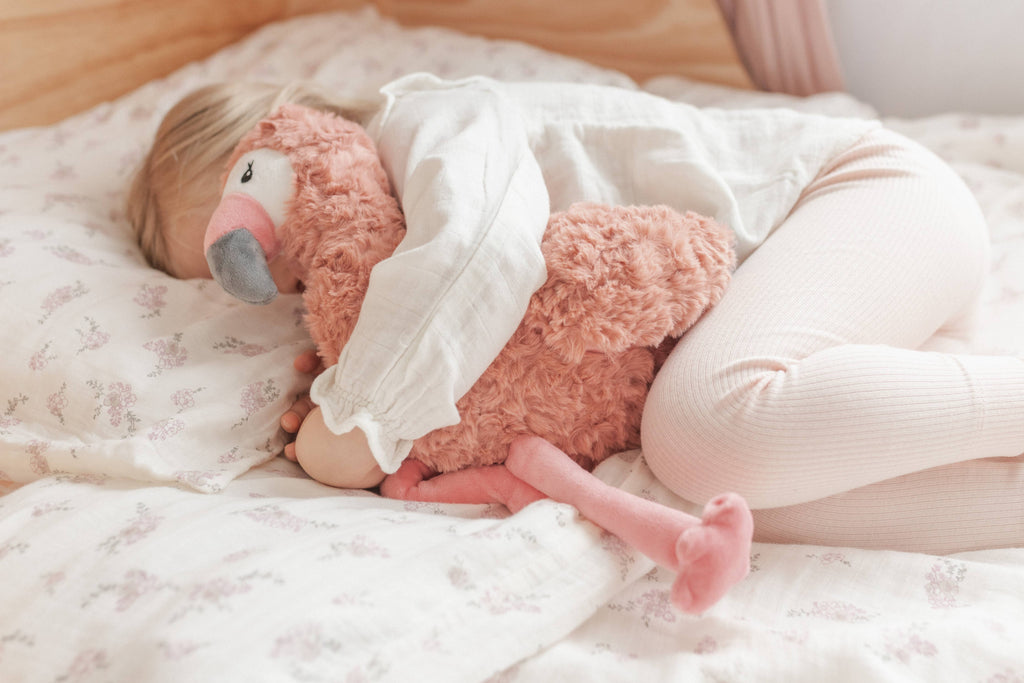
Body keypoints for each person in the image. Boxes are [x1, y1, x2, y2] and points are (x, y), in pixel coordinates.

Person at [128, 74, 1024, 555]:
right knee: (710, 496)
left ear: (286, 139)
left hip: (866, 197)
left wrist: (364, 412)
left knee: (696, 433)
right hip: (833, 317)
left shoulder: (430, 120)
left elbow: (481, 248)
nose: (280, 282)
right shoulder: (370, 263)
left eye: (262, 242)